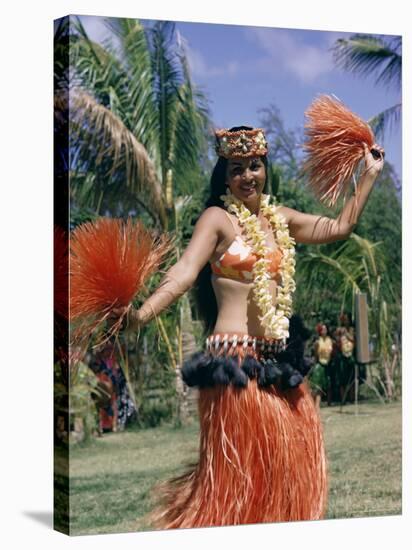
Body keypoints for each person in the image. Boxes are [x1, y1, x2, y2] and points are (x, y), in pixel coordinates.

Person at [112, 126, 384, 528]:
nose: (247, 177)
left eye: (254, 167)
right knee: (240, 475)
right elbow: (184, 272)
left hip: (278, 359)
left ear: (264, 169)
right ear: (224, 176)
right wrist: (138, 315)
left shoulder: (282, 219)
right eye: (236, 169)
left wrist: (369, 175)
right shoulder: (217, 219)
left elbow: (338, 227)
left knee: (289, 466)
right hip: (235, 361)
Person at [310, 323, 334, 408]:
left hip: (328, 363)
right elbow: (316, 354)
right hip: (320, 363)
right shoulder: (318, 341)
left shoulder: (329, 340)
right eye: (323, 329)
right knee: (317, 385)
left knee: (328, 383)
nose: (325, 331)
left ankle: (329, 402)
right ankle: (314, 405)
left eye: (325, 329)